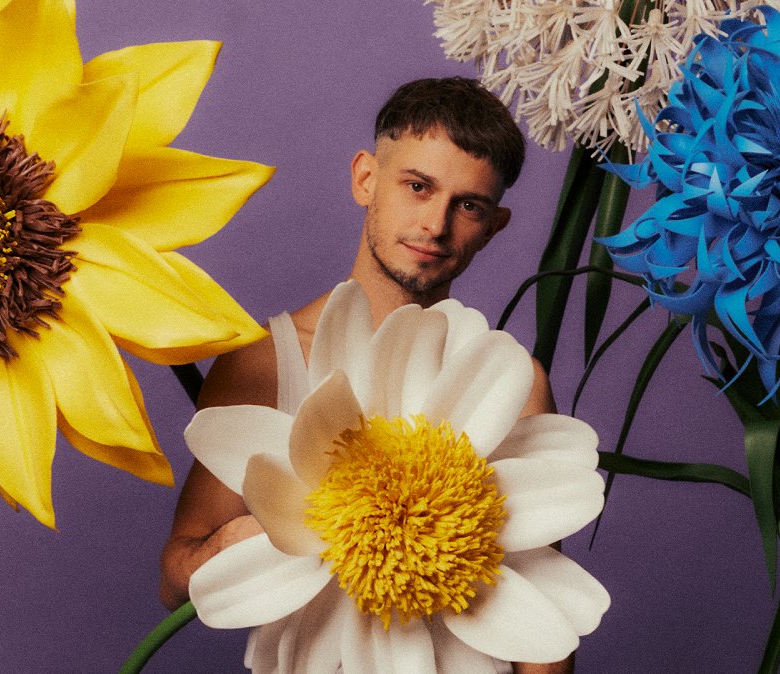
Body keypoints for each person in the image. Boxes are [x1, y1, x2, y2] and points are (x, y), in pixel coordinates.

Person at [159, 77, 570, 673]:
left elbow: (542, 617)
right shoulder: (265, 360)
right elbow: (175, 580)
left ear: (493, 225)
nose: (435, 224)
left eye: (468, 206)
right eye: (417, 187)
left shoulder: (511, 383)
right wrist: (260, 538)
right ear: (365, 179)